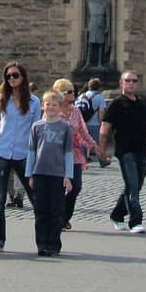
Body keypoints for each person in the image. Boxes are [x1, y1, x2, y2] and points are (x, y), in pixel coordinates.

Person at [0, 62, 40, 252]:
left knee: (35, 197)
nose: (12, 79)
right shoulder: (1, 98)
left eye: (15, 75)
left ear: (23, 77)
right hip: (2, 151)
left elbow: (36, 129)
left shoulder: (34, 102)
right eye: (8, 76)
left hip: (24, 153)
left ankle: (43, 240)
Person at [101, 70, 146, 233]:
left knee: (135, 185)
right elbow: (105, 127)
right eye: (127, 81)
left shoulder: (143, 104)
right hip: (124, 151)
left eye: (134, 81)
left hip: (142, 150)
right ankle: (135, 222)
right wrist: (101, 149)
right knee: (133, 187)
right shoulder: (116, 104)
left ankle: (117, 214)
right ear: (121, 83)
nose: (131, 83)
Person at [27, 91, 75, 256]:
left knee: (56, 211)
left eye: (55, 105)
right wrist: (30, 174)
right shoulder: (37, 126)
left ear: (60, 107)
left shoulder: (65, 128)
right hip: (40, 172)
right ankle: (41, 243)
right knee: (40, 211)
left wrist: (68, 176)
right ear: (43, 106)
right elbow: (31, 152)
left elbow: (68, 153)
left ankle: (54, 243)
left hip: (57, 174)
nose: (51, 107)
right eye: (48, 104)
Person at [51, 77, 95, 230]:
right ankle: (57, 218)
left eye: (73, 91)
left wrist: (95, 147)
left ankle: (64, 216)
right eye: (69, 91)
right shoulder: (52, 111)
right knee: (57, 188)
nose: (73, 93)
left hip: (74, 155)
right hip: (56, 155)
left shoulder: (76, 111)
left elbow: (83, 132)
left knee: (75, 186)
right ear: (60, 94)